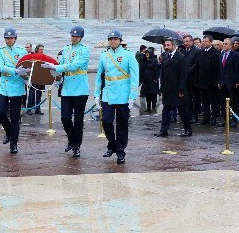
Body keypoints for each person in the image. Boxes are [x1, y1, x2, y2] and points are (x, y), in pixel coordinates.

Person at [95, 30, 139, 164]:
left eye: (115, 38)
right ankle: (112, 144)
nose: (113, 41)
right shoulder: (104, 55)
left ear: (120, 40)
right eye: (110, 39)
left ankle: (120, 151)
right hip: (108, 93)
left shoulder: (128, 55)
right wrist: (97, 94)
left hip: (123, 94)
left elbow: (135, 76)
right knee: (106, 121)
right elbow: (99, 76)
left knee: (122, 124)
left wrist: (132, 95)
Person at [50, 26, 90, 156]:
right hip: (67, 88)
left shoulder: (85, 50)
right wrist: (56, 76)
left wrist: (57, 67)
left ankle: (76, 146)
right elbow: (61, 65)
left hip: (80, 88)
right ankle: (71, 139)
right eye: (72, 36)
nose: (74, 38)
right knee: (65, 118)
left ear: (81, 37)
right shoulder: (66, 49)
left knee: (78, 120)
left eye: (77, 36)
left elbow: (75, 65)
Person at [0, 27, 27, 154]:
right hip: (4, 84)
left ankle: (14, 144)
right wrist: (15, 70)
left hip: (17, 85)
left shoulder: (22, 51)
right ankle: (9, 132)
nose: (9, 40)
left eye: (11, 38)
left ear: (15, 38)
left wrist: (25, 74)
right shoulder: (0, 51)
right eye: (7, 38)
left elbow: (27, 65)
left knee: (15, 117)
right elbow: (1, 67)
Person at [155, 37, 190, 138]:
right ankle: (163, 130)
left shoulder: (181, 57)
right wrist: (161, 88)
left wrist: (182, 90)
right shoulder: (165, 57)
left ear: (174, 46)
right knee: (166, 110)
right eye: (165, 45)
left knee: (183, 111)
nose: (166, 47)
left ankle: (188, 130)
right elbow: (163, 74)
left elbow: (184, 75)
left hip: (178, 89)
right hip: (167, 89)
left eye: (168, 45)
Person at [196, 35, 221, 125]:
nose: (204, 43)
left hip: (212, 82)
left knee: (213, 101)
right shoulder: (200, 52)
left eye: (206, 41)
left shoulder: (216, 53)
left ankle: (214, 118)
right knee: (204, 101)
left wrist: (218, 81)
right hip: (202, 81)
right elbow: (197, 67)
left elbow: (218, 68)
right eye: (203, 41)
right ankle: (205, 118)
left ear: (211, 42)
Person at [218, 39, 239, 123]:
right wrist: (219, 81)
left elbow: (237, 69)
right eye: (223, 43)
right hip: (223, 82)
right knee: (223, 102)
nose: (224, 45)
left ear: (231, 46)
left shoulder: (235, 55)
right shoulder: (221, 55)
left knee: (233, 102)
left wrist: (237, 82)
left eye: (226, 44)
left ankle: (234, 120)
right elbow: (220, 69)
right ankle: (226, 120)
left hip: (232, 82)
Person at [179, 35, 200, 123]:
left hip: (194, 78)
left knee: (195, 99)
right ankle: (188, 115)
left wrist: (186, 71)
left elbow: (196, 64)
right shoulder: (184, 51)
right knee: (187, 98)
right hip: (185, 79)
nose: (185, 43)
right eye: (184, 42)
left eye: (187, 41)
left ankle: (195, 117)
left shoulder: (197, 51)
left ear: (191, 41)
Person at [140, 47, 160, 112]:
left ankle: (153, 107)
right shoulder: (144, 60)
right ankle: (148, 107)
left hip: (153, 79)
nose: (147, 54)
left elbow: (157, 70)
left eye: (148, 53)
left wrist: (156, 78)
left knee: (153, 94)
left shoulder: (154, 60)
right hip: (146, 80)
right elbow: (141, 69)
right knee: (147, 94)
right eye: (146, 53)